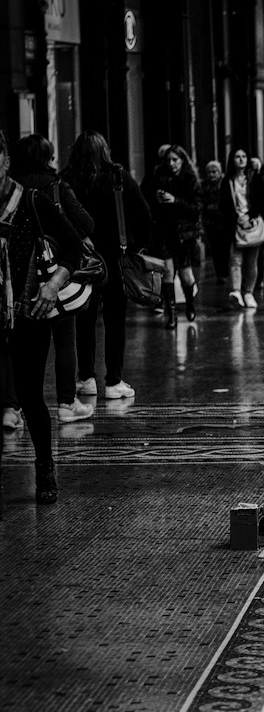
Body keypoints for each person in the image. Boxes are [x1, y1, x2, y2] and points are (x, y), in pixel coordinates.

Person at [0, 127, 84, 511]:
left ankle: (45, 467)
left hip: (28, 315)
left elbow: (74, 248)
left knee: (31, 396)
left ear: (5, 161)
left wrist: (53, 285)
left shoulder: (31, 202)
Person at [11, 135, 96, 425]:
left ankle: (12, 408)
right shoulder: (56, 186)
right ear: (48, 157)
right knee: (64, 339)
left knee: (15, 344)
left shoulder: (10, 189)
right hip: (54, 272)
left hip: (17, 277)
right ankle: (66, 403)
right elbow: (85, 224)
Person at [64, 131, 152, 403]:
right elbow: (143, 214)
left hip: (82, 259)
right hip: (115, 257)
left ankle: (86, 378)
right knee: (115, 321)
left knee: (84, 318)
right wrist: (138, 246)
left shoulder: (68, 179)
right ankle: (114, 381)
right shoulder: (118, 177)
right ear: (105, 151)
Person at [150, 144, 202, 324]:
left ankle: (190, 304)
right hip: (164, 231)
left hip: (184, 234)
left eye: (175, 160)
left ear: (182, 160)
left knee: (186, 275)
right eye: (169, 160)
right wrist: (157, 200)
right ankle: (171, 314)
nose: (172, 164)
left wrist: (175, 201)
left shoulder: (190, 179)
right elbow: (148, 201)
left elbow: (196, 209)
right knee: (167, 271)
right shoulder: (159, 177)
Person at [218, 147, 264, 310]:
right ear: (232, 160)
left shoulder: (254, 178)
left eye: (244, 156)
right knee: (235, 259)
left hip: (252, 225)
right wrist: (237, 218)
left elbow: (261, 200)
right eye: (237, 156)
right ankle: (236, 291)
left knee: (251, 261)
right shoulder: (227, 181)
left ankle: (248, 292)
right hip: (235, 225)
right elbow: (224, 205)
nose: (241, 159)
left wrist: (249, 216)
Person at [199, 159, 229, 282]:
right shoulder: (204, 186)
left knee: (225, 249)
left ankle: (225, 272)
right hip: (210, 222)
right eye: (209, 172)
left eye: (214, 172)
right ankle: (220, 274)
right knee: (215, 250)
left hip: (223, 221)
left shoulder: (224, 184)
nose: (212, 175)